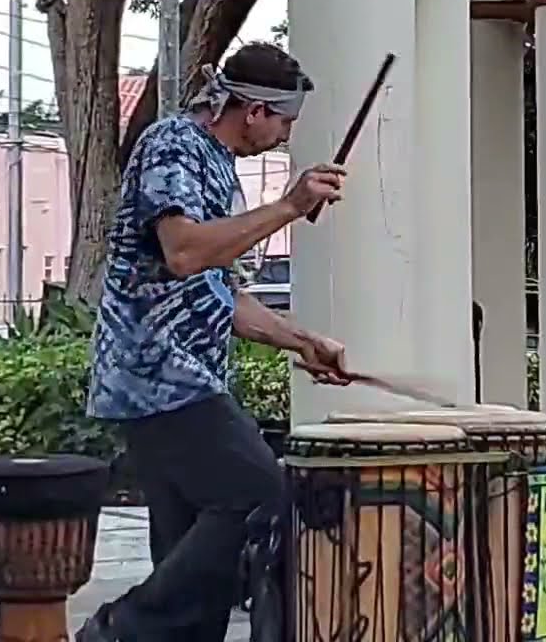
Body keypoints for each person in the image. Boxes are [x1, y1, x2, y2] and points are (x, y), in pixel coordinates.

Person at [77, 42, 353, 642]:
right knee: (263, 495)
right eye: (284, 121)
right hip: (156, 377)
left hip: (185, 380)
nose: (284, 136)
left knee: (187, 555)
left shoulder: (219, 167)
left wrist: (301, 341)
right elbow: (184, 252)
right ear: (253, 110)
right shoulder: (172, 144)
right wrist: (289, 205)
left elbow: (222, 294)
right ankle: (122, 629)